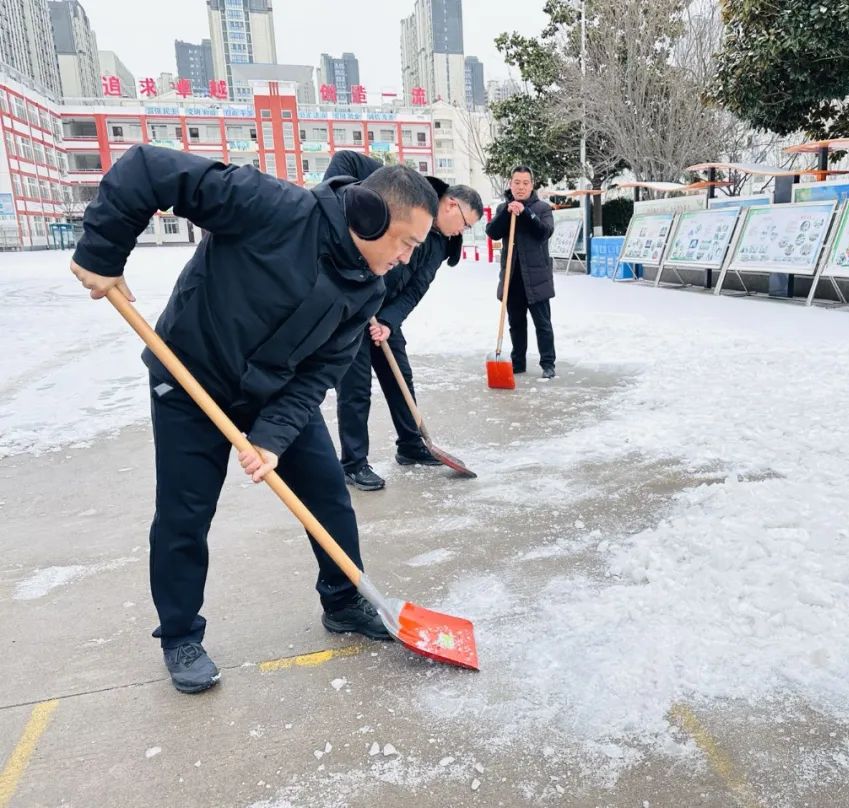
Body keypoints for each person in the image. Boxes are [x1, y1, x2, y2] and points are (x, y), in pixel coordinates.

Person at [69, 144, 437, 694]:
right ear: (370, 216)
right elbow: (147, 169)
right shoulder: (273, 207)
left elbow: (319, 374)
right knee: (184, 512)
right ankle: (179, 635)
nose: (407, 258)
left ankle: (342, 600)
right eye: (406, 242)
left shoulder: (367, 289)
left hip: (276, 390)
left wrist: (271, 439)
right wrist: (102, 250)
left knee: (327, 494)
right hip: (191, 377)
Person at [324, 151, 484, 491]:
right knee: (355, 389)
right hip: (353, 305)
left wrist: (388, 322)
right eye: (466, 224)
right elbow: (346, 161)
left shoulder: (441, 243)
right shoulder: (408, 192)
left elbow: (416, 289)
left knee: (401, 378)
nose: (463, 232)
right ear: (451, 204)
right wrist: (345, 207)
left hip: (384, 312)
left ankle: (411, 445)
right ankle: (353, 463)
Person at [485, 165, 557, 379]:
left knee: (542, 324)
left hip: (537, 278)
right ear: (511, 184)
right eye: (517, 182)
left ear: (532, 185)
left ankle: (548, 363)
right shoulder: (503, 208)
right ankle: (518, 362)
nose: (521, 187)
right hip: (512, 277)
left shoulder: (542, 208)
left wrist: (525, 213)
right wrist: (507, 213)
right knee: (516, 324)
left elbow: (544, 233)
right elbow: (492, 232)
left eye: (525, 183)